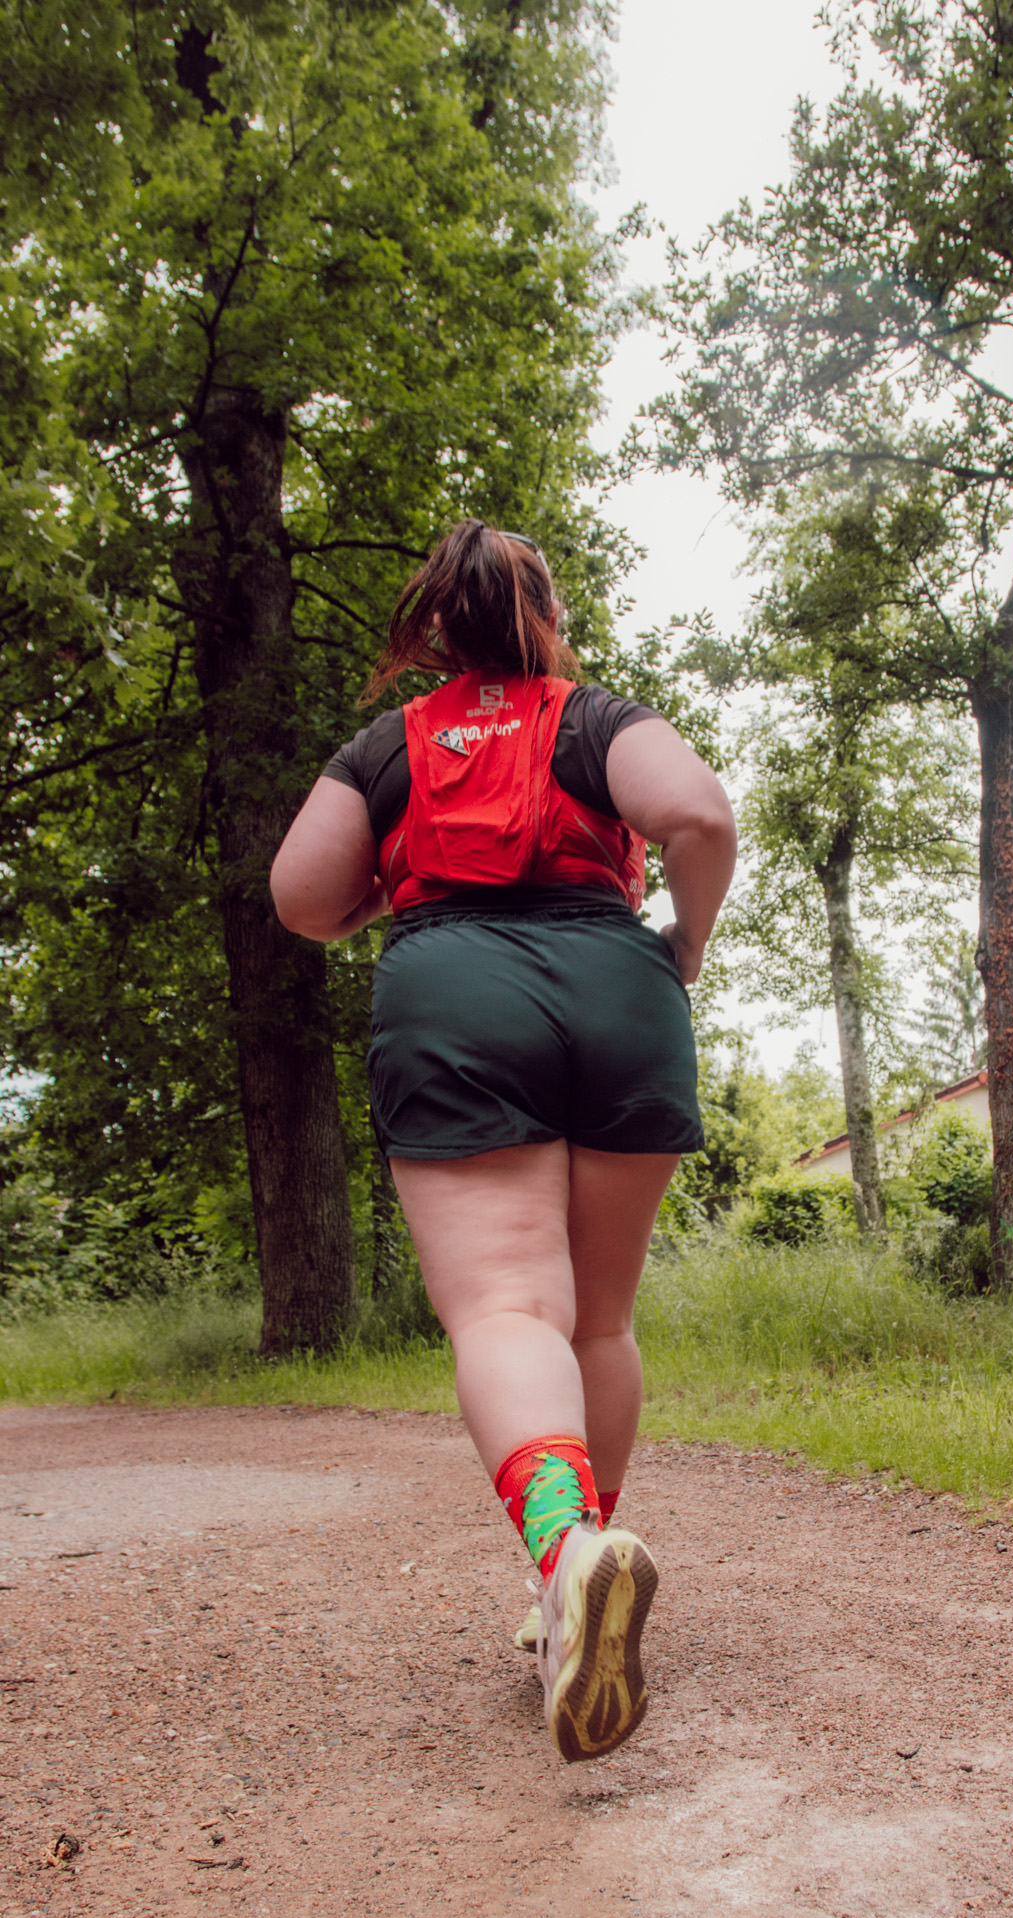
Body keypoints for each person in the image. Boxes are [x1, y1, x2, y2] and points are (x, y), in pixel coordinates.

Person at [270, 521, 735, 1763]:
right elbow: (696, 813)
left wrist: (395, 886)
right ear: (544, 609)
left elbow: (302, 898)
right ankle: (579, 1572)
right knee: (598, 1321)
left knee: (505, 1312)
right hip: (617, 990)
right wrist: (676, 951)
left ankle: (565, 1552)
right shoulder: (595, 719)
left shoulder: (391, 745)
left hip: (455, 992)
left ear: (437, 624)